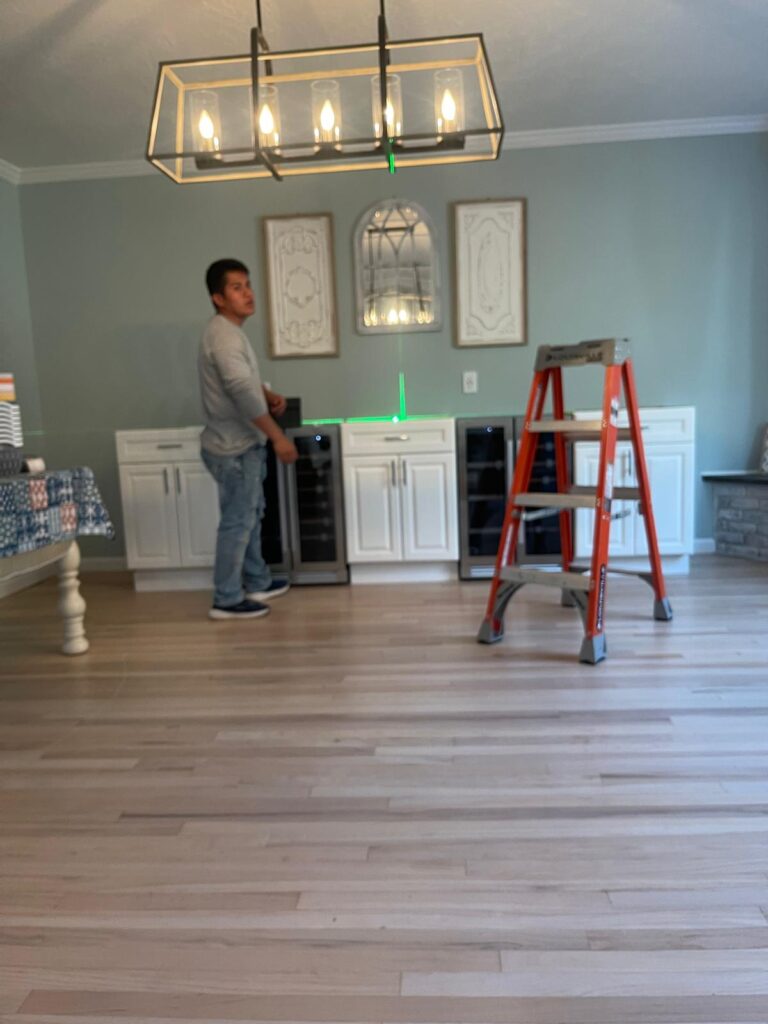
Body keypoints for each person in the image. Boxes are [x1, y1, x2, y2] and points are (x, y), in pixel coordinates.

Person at [198, 258, 298, 620]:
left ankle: (257, 580)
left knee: (251, 516)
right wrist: (278, 437)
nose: (248, 294)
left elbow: (242, 381)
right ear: (218, 298)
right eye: (236, 288)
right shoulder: (224, 336)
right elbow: (239, 390)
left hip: (241, 446)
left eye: (248, 285)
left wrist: (267, 394)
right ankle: (225, 599)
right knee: (238, 523)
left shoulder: (229, 332)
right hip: (233, 449)